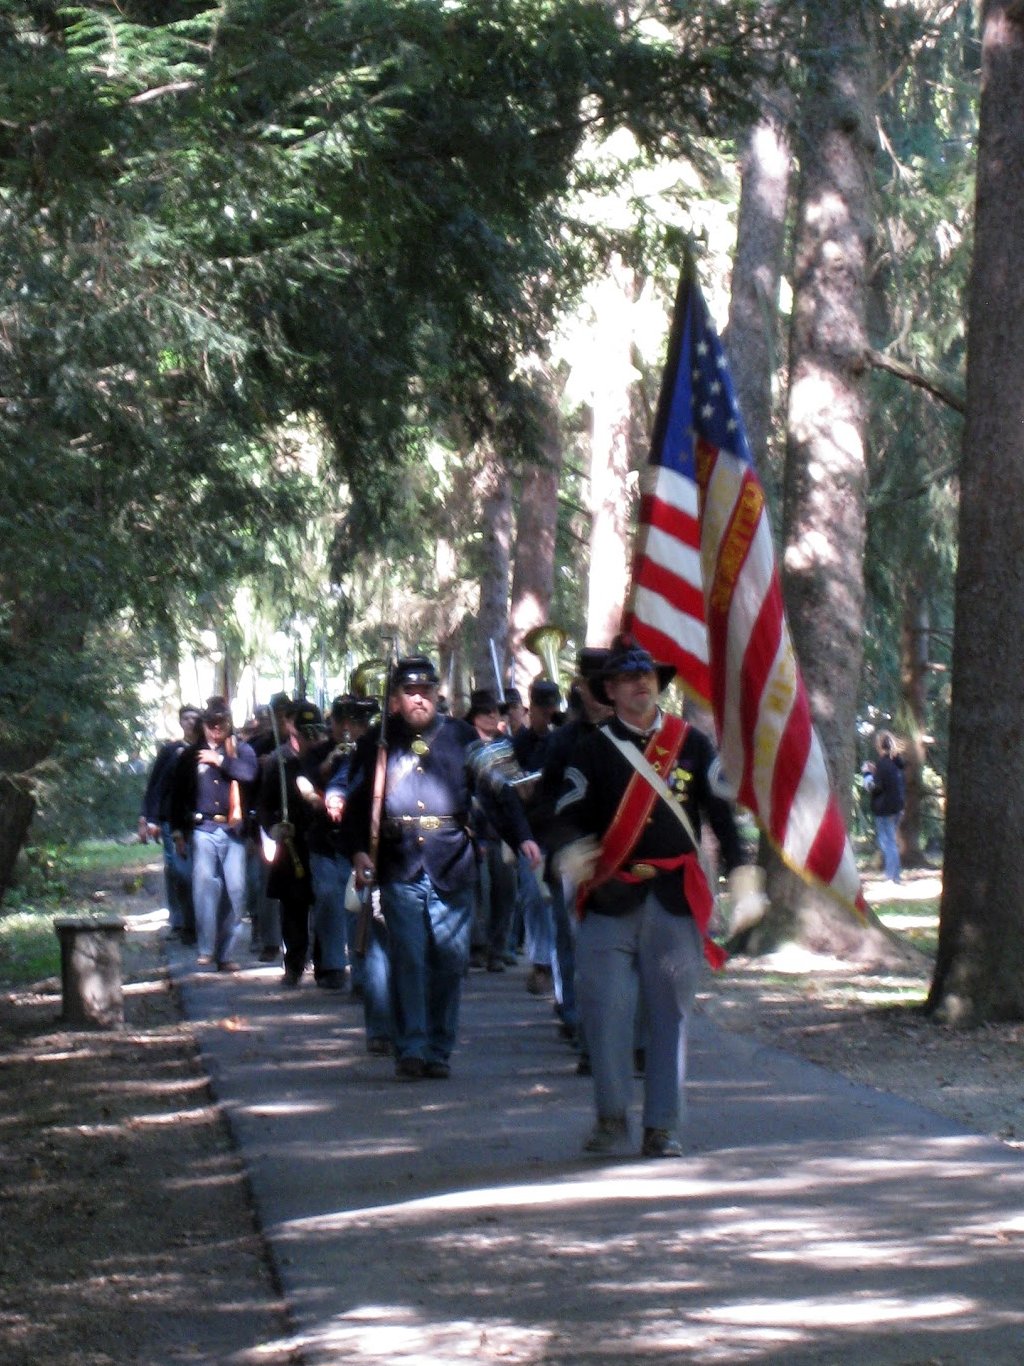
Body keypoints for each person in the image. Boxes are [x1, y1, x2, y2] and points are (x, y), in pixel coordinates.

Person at [550, 635, 747, 1159]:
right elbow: (565, 812)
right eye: (629, 677)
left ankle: (663, 1127)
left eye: (649, 675)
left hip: (674, 901)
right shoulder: (590, 749)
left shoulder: (693, 745)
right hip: (611, 897)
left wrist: (743, 874)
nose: (642, 682)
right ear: (609, 690)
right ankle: (612, 1118)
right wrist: (571, 849)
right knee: (605, 1013)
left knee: (671, 1017)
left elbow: (722, 817)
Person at [346, 655, 541, 1081]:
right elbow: (357, 802)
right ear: (395, 699)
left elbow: (499, 791)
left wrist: (521, 835)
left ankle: (439, 1047)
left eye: (426, 691)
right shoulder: (378, 741)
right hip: (398, 864)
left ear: (438, 694)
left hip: (451, 859)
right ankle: (411, 1046)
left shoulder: (462, 736)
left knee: (450, 961)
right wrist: (359, 850)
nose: (419, 699)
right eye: (410, 692)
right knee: (409, 957)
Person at [170, 698, 258, 972]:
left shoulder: (241, 751)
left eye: (221, 724)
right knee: (205, 887)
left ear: (229, 724)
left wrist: (220, 760)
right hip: (202, 828)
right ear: (204, 726)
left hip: (234, 829)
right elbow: (178, 795)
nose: (215, 730)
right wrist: (177, 832)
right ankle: (206, 948)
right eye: (210, 724)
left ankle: (227, 952)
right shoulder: (189, 755)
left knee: (236, 890)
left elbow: (249, 774)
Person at [258, 700, 330, 987]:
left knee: (325, 903)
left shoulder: (327, 757)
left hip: (323, 839)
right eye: (306, 732)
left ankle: (326, 965)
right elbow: (264, 805)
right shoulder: (279, 760)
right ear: (293, 730)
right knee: (294, 908)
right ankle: (295, 965)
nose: (312, 738)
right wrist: (274, 826)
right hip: (292, 843)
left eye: (316, 732)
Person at [512, 677, 563, 994]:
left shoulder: (564, 740)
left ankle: (559, 964)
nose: (547, 714)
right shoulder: (518, 744)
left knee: (558, 902)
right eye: (542, 709)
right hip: (531, 833)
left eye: (551, 708)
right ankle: (541, 963)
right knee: (533, 897)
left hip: (560, 832)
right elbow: (508, 788)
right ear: (532, 709)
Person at [139, 704, 202, 944]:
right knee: (177, 869)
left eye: (194, 718)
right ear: (180, 721)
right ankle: (180, 920)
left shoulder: (206, 750)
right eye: (185, 718)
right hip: (170, 818)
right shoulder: (170, 750)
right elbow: (156, 784)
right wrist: (149, 817)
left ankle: (197, 921)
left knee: (199, 872)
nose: (190, 722)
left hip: (198, 819)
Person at [863, 730, 906, 884]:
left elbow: (875, 787)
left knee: (887, 843)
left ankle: (892, 877)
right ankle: (894, 875)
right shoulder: (896, 763)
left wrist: (867, 774)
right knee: (891, 842)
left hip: (885, 809)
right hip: (897, 808)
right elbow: (890, 782)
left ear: (879, 746)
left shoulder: (883, 764)